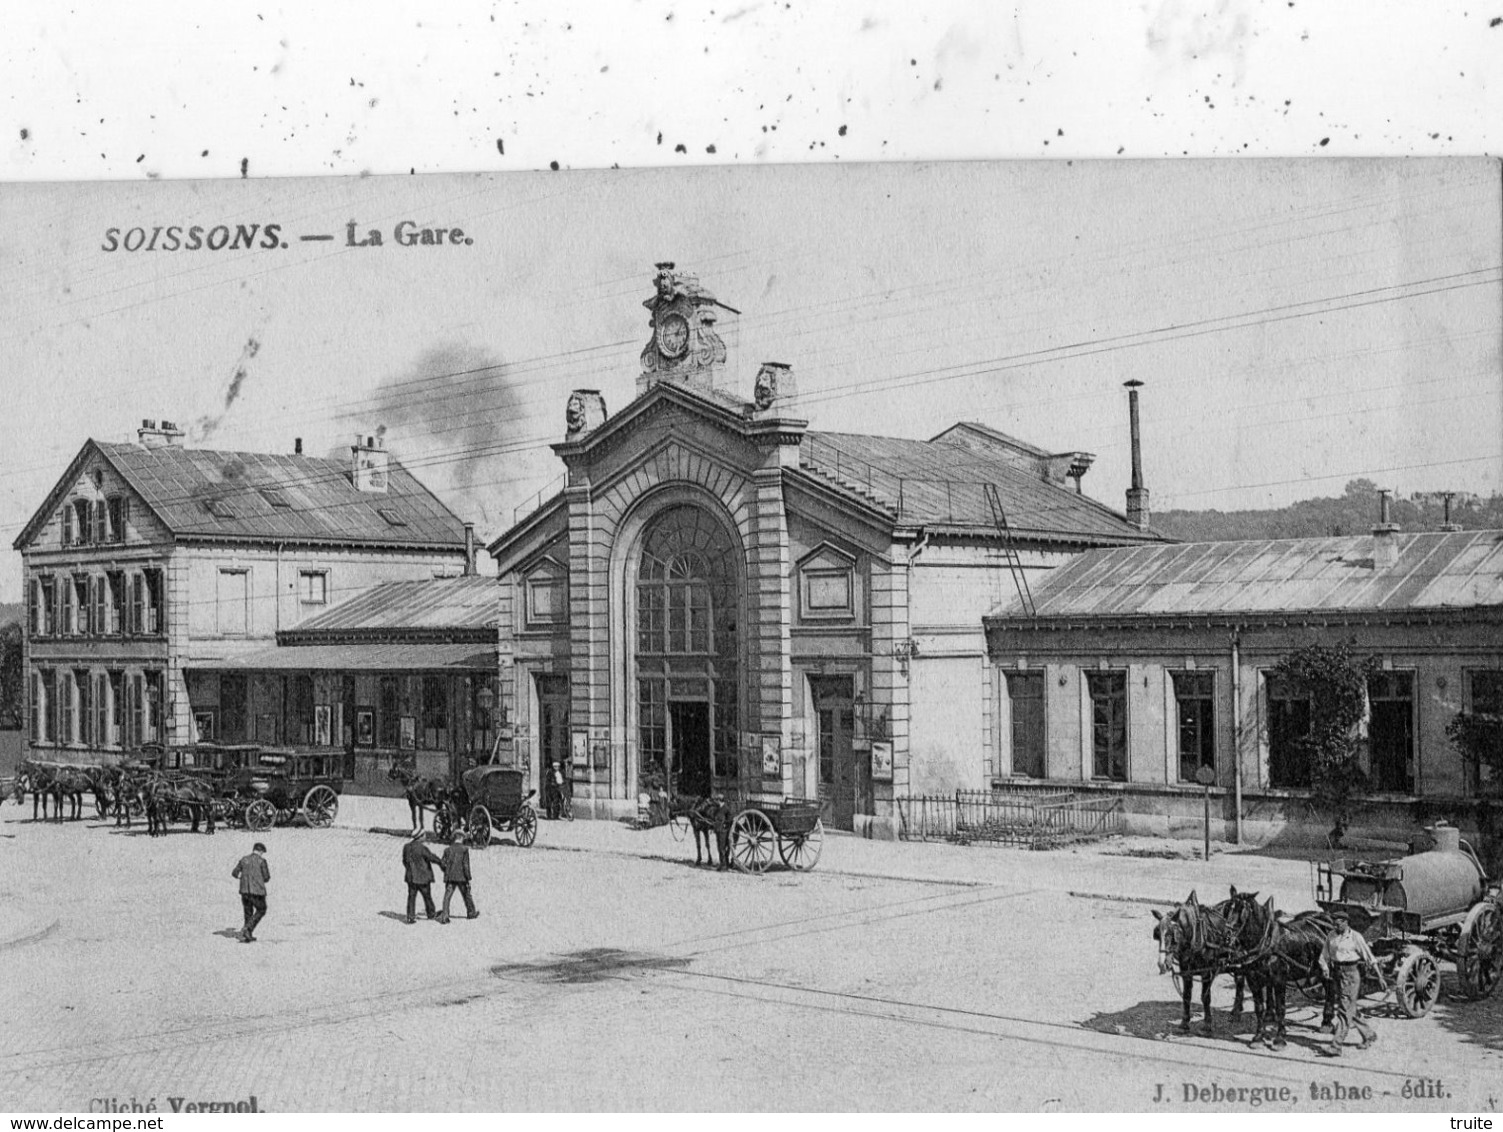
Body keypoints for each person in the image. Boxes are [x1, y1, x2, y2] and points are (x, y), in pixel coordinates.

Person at [1318, 909, 1382, 1056]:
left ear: (1346, 923)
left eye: (1338, 924)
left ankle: (1336, 1045)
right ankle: (1369, 1034)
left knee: (1343, 1009)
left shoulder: (1356, 937)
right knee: (1350, 1008)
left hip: (1351, 975)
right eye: (1334, 924)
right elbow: (1324, 955)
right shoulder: (1331, 936)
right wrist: (1325, 968)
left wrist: (1380, 977)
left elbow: (1369, 957)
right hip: (1336, 974)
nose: (1336, 927)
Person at [232, 842, 270, 943]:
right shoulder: (262, 861)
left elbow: (235, 873)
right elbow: (266, 878)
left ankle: (248, 934)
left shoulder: (244, 859)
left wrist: (242, 877)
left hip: (244, 890)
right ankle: (247, 928)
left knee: (248, 912)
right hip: (257, 891)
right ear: (260, 851)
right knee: (262, 909)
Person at [401, 830, 442, 924]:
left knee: (411, 897)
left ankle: (410, 916)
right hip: (423, 877)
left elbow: (404, 860)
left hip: (411, 877)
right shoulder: (422, 848)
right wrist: (441, 862)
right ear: (420, 836)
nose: (425, 837)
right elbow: (431, 857)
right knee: (427, 896)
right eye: (424, 835)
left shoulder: (406, 847)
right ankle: (431, 913)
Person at [436, 840, 478, 923]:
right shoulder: (464, 849)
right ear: (461, 838)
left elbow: (442, 863)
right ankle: (471, 913)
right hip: (462, 877)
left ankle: (445, 916)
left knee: (447, 896)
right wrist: (468, 877)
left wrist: (447, 870)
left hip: (450, 877)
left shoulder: (447, 850)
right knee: (466, 895)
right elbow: (466, 865)